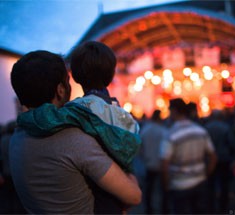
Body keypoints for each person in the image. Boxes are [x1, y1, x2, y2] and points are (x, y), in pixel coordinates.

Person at [9, 50, 142, 214]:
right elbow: (134, 196)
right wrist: (130, 170)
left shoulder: (16, 137)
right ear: (61, 89)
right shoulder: (74, 140)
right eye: (67, 81)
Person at [160, 98, 217, 214]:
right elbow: (213, 157)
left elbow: (164, 163)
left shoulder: (170, 134)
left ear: (174, 111)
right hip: (200, 182)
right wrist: (206, 174)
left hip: (179, 185)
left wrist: (166, 185)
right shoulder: (200, 131)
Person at [204, 109, 235, 213]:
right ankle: (223, 206)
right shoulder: (226, 127)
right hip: (224, 159)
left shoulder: (207, 128)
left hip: (210, 159)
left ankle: (210, 206)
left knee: (211, 184)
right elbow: (232, 143)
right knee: (224, 184)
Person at [139, 109, 168, 214]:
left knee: (149, 190)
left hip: (149, 163)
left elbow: (140, 147)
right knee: (163, 190)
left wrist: (144, 157)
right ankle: (164, 210)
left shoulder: (145, 130)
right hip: (161, 164)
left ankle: (149, 210)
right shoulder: (164, 131)